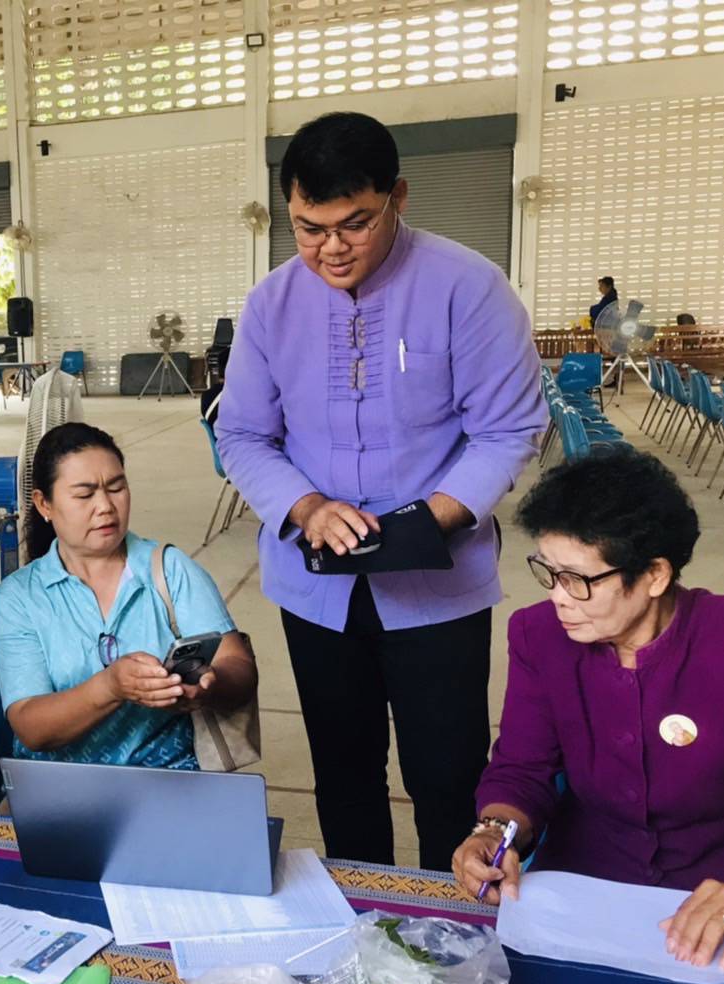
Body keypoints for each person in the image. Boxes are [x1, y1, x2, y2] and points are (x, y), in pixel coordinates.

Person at [216, 112, 544, 870]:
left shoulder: (469, 287)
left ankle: (449, 929)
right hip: (314, 589)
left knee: (447, 776)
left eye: (354, 224)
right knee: (344, 775)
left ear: (399, 195)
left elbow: (509, 428)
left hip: (438, 585)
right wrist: (306, 508)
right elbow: (243, 437)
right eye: (308, 228)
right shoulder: (271, 305)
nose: (330, 248)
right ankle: (365, 926)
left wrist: (426, 520)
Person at [452, 451, 724, 971]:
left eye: (578, 579)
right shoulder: (538, 636)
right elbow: (523, 769)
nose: (559, 598)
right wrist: (494, 832)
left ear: (655, 575)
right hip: (584, 885)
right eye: (549, 573)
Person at [0, 422, 257, 766]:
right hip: (60, 790)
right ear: (44, 504)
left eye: (116, 487)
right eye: (84, 494)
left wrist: (209, 684)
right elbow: (31, 727)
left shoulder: (170, 569)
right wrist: (110, 687)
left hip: (171, 782)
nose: (105, 506)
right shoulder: (20, 597)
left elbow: (238, 666)